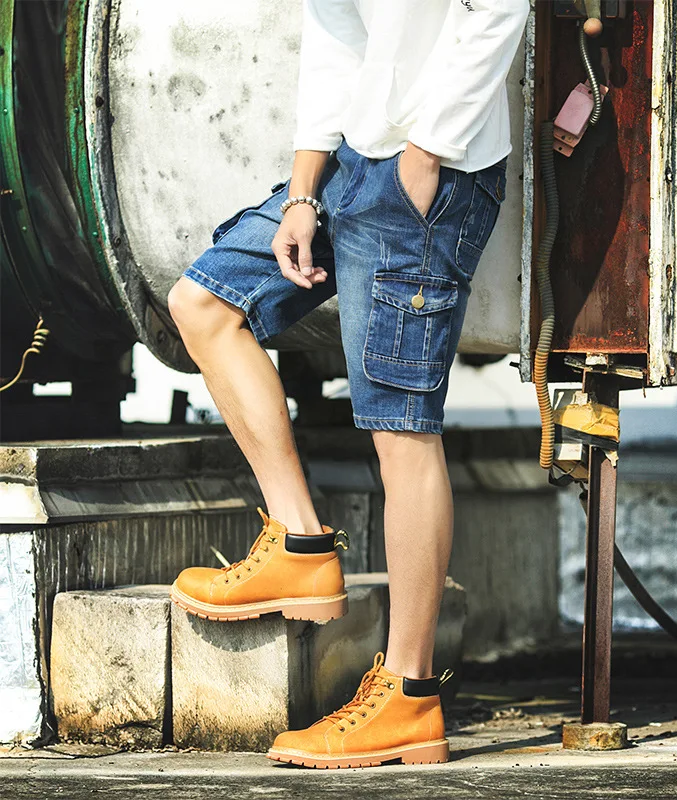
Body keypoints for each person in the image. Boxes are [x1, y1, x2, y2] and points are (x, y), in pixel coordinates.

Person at [167, 0, 529, 769]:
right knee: (204, 304)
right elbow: (337, 35)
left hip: (429, 173)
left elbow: (499, 8)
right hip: (350, 168)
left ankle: (410, 696)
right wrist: (303, 193)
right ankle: (300, 541)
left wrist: (427, 153)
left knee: (400, 429)